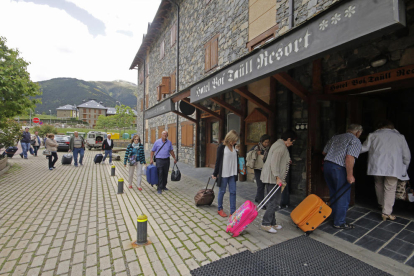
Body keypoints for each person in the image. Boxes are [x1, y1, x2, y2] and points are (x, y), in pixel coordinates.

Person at [361, 120, 411, 221]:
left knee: (378, 183)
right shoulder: (400, 137)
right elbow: (406, 155)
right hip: (394, 167)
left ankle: (381, 204)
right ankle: (386, 212)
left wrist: (350, 150)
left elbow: (363, 148)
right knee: (390, 188)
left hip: (377, 165)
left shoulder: (373, 135)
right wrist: (405, 167)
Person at [323, 124, 363, 230]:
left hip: (327, 165)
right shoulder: (355, 140)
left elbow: (324, 152)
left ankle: (334, 216)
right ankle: (339, 222)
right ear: (358, 132)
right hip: (339, 168)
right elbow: (349, 157)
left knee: (334, 192)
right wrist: (350, 175)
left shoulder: (335, 137)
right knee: (343, 195)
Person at [260, 130, 297, 233]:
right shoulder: (281, 147)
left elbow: (277, 159)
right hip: (273, 178)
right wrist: (277, 177)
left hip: (272, 177)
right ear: (288, 139)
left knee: (273, 201)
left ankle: (272, 222)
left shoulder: (278, 144)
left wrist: (287, 161)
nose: (292, 144)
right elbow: (274, 162)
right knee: (274, 201)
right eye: (292, 142)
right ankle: (266, 223)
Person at [212, 130, 240, 217]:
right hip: (224, 173)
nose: (235, 142)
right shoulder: (222, 147)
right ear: (230, 138)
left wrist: (237, 151)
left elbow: (234, 159)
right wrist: (215, 173)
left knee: (233, 192)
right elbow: (218, 161)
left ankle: (233, 212)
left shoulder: (234, 147)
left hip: (232, 173)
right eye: (234, 140)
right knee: (222, 191)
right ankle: (220, 209)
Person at [247, 134, 271, 209]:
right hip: (258, 169)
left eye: (267, 142)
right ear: (261, 142)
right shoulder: (256, 148)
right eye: (265, 142)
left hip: (266, 169)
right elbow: (249, 155)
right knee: (260, 185)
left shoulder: (269, 149)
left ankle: (258, 197)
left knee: (265, 185)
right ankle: (261, 202)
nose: (266, 144)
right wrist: (256, 153)